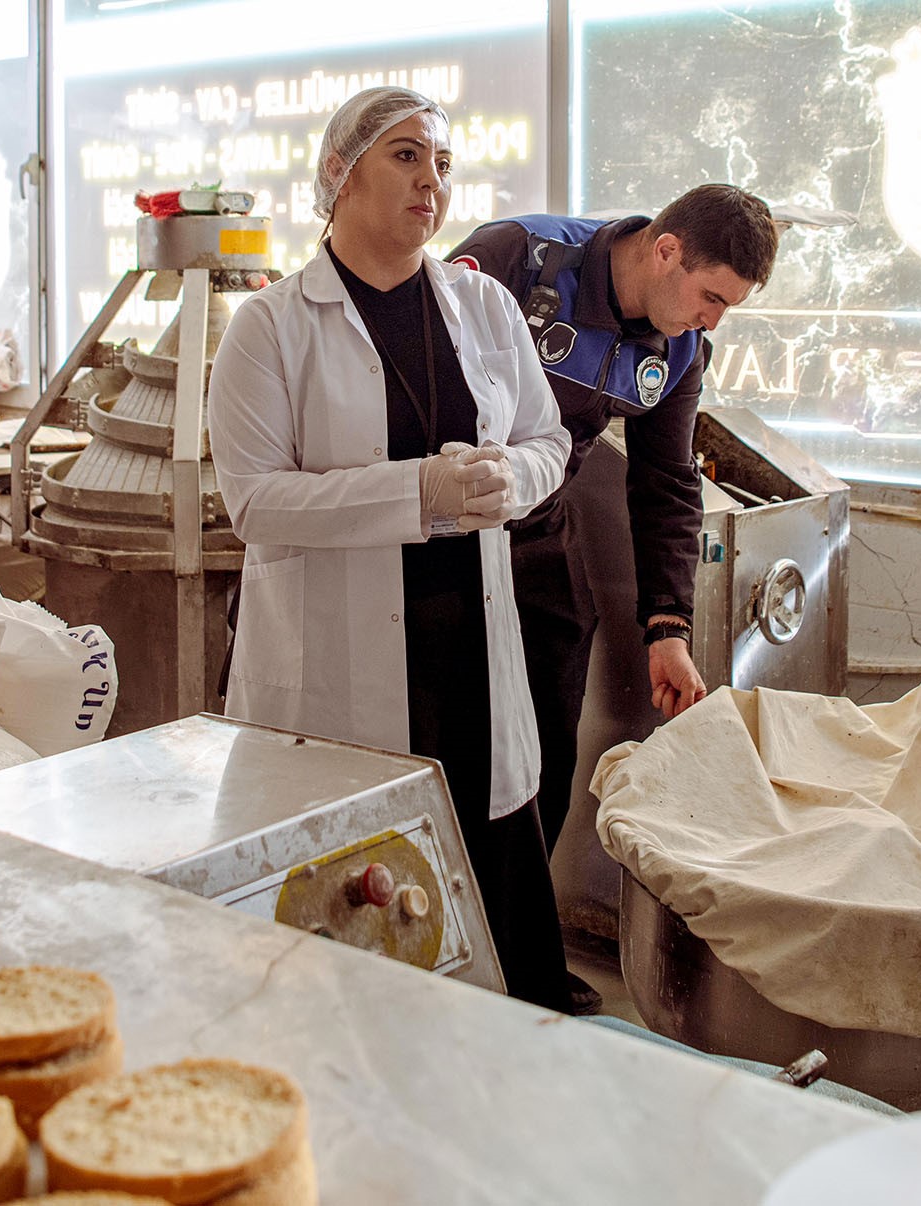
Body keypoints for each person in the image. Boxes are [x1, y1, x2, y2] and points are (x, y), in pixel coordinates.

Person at [207, 86, 575, 1012]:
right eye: (406, 157)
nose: (431, 183)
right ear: (340, 173)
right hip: (340, 666)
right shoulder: (272, 328)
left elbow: (548, 438)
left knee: (493, 924)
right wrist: (418, 492)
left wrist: (509, 483)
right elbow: (254, 501)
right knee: (358, 929)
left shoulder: (483, 309)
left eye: (443, 164)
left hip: (470, 654)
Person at [448, 187, 779, 1012]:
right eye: (711, 298)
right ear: (665, 250)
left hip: (540, 536)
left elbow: (667, 485)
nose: (712, 322)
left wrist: (666, 626)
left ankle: (517, 957)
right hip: (444, 527)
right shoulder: (518, 259)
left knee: (546, 750)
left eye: (729, 309)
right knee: (446, 744)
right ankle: (432, 949)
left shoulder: (681, 350)